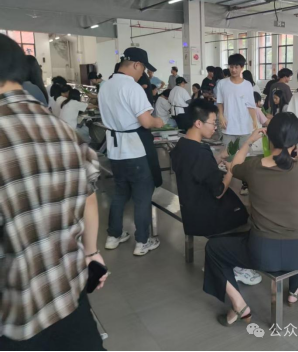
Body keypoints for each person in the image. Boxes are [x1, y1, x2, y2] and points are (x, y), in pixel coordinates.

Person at [0, 34, 107, 351]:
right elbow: (89, 195)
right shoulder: (61, 129)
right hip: (68, 292)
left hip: (15, 311)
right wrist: (91, 252)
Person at [203, 113, 298, 327]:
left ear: (268, 138)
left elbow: (233, 166)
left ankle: (239, 305)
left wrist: (249, 141)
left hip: (262, 253)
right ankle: (294, 292)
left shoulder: (254, 166)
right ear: (296, 141)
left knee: (213, 248)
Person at [170, 100, 262, 286]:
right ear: (198, 123)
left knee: (237, 204)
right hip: (205, 213)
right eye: (213, 123)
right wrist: (231, 170)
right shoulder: (200, 153)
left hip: (190, 206)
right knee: (245, 216)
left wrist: (219, 157)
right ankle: (232, 264)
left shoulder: (182, 145)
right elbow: (219, 191)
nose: (215, 128)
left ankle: (218, 259)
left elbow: (198, 172)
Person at [99, 47, 165, 257]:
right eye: (143, 69)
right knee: (142, 196)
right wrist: (158, 121)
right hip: (135, 150)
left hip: (115, 150)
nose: (142, 73)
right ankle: (142, 241)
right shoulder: (132, 87)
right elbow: (145, 121)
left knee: (120, 193)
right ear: (136, 64)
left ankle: (113, 236)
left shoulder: (105, 86)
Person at [217, 54, 258, 149]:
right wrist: (221, 116)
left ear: (242, 68)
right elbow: (220, 102)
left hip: (245, 127)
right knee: (228, 154)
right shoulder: (222, 83)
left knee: (245, 155)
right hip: (228, 127)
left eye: (236, 67)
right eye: (231, 67)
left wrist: (255, 120)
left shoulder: (247, 85)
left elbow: (251, 106)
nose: (233, 70)